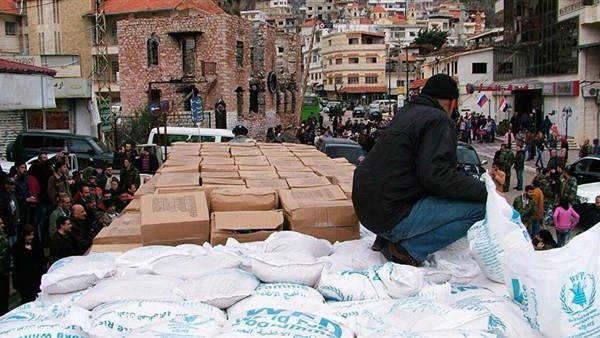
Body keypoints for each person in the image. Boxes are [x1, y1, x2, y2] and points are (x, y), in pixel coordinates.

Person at [352, 74, 487, 266]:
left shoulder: (408, 112)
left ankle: (386, 238)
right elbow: (436, 175)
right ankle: (407, 251)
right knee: (479, 209)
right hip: (389, 214)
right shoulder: (438, 119)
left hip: (368, 210)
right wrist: (486, 192)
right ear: (453, 103)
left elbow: (432, 168)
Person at [11, 224, 47, 304]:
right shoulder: (17, 247)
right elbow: (20, 263)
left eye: (32, 235)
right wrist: (27, 252)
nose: (31, 237)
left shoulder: (36, 244)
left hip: (36, 277)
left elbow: (40, 257)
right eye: (29, 235)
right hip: (24, 280)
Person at [0, 178, 19, 246]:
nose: (14, 186)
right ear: (6, 185)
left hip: (14, 224)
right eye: (11, 185)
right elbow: (2, 212)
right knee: (9, 244)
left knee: (14, 243)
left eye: (14, 185)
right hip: (8, 226)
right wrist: (5, 224)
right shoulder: (3, 198)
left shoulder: (13, 196)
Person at [0, 218, 10, 315]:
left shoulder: (3, 234)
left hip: (5, 270)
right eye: (0, 223)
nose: (2, 225)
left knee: (5, 294)